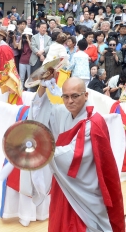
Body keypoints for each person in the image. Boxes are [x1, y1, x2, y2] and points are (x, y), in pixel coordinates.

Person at [33, 77, 124, 231]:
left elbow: (75, 156)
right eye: (66, 96)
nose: (70, 101)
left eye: (75, 96)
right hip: (65, 183)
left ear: (86, 95)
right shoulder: (65, 113)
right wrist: (42, 87)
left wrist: (43, 151)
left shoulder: (94, 122)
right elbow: (42, 112)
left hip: (85, 186)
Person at [29, 22, 52, 90]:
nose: (44, 29)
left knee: (43, 77)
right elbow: (33, 47)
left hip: (44, 59)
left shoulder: (49, 38)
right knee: (34, 77)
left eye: (45, 28)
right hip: (35, 59)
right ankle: (33, 92)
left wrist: (42, 51)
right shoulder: (34, 37)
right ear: (38, 28)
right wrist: (40, 55)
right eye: (42, 27)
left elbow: (49, 46)